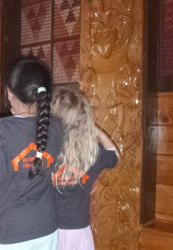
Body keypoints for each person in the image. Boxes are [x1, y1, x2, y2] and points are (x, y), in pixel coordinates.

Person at [0, 58, 63, 249]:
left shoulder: (2, 129)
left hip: (10, 229)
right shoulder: (55, 126)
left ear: (9, 93)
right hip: (46, 225)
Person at [50, 88, 121, 250]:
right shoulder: (93, 152)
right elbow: (116, 157)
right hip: (79, 233)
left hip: (49, 230)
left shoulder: (47, 151)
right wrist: (99, 133)